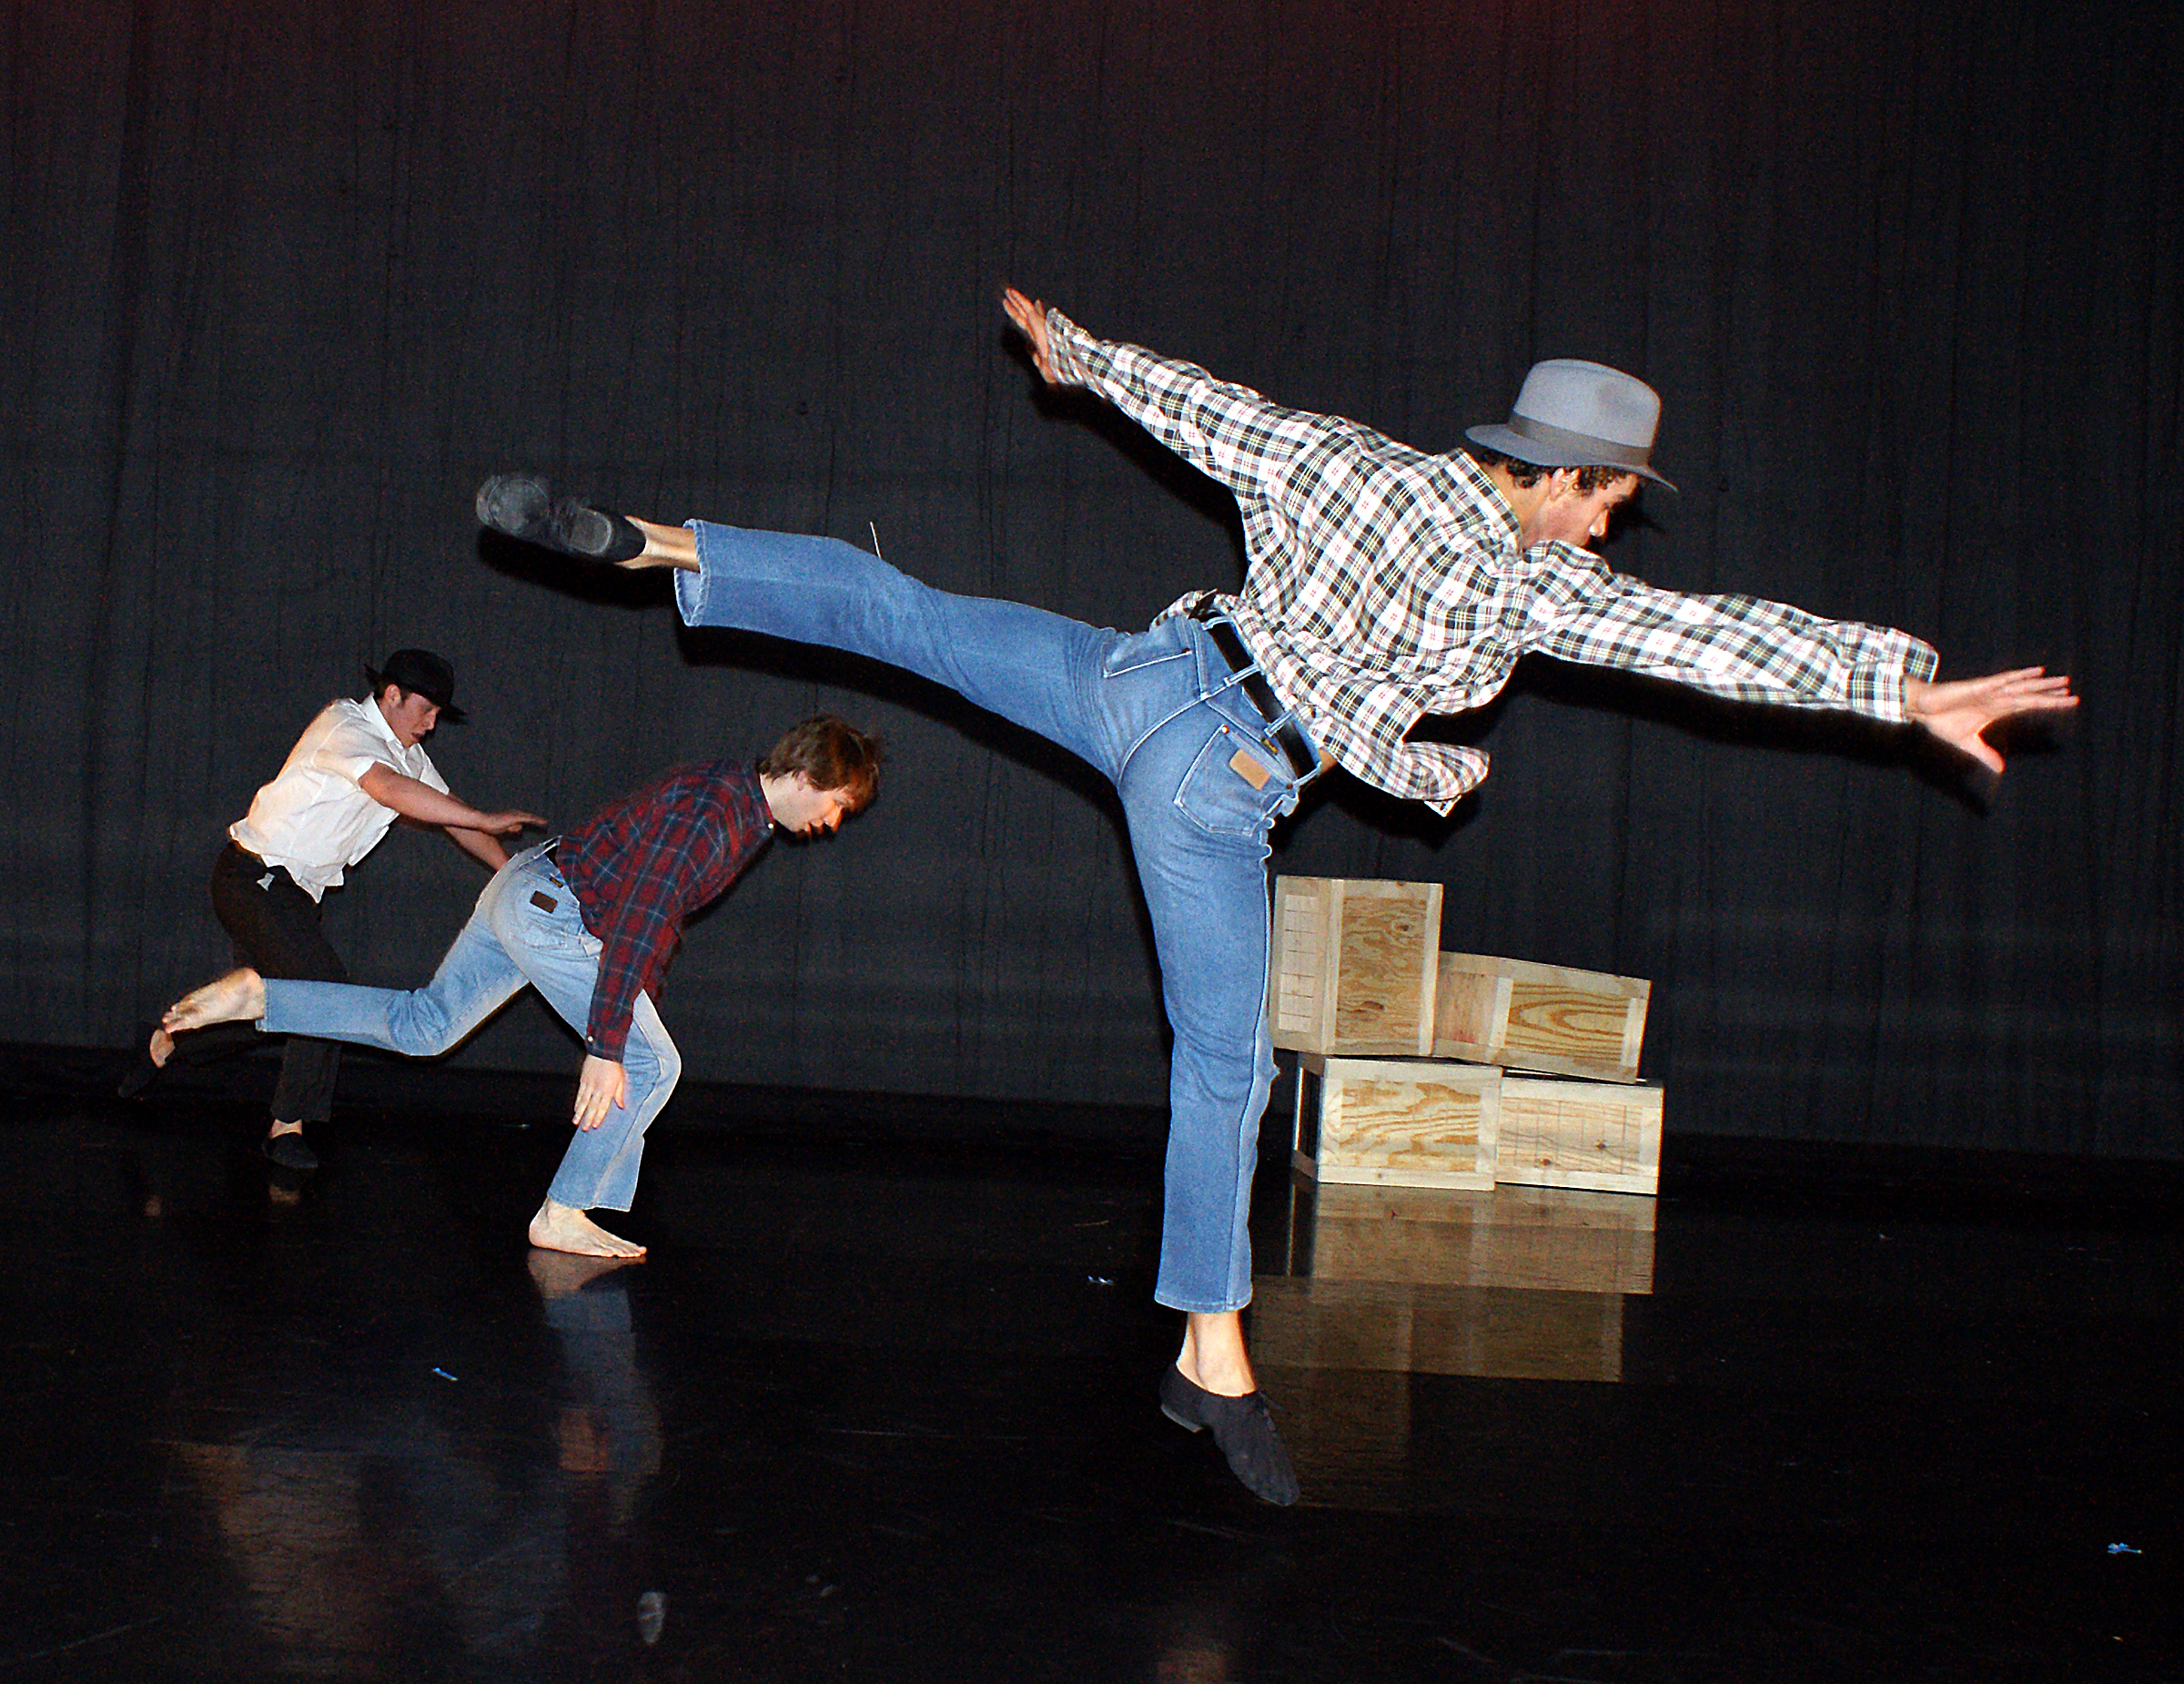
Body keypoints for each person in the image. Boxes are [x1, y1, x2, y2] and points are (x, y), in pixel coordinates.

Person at [471, 290, 2075, 1503]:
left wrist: (1081, 357)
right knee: (1225, 1066)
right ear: (1558, 480)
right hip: (1216, 779)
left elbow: (1208, 411)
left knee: (903, 613)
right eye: (1603, 501)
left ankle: (662, 542)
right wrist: (1895, 685)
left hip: (1133, 676)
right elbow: (1702, 638)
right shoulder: (1526, 578)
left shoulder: (1355, 462)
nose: (1604, 528)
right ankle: (1212, 1349)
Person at [163, 716, 884, 1257]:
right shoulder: (720, 819)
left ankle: (266, 997)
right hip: (552, 913)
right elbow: (641, 919)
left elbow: (648, 915)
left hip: (527, 886)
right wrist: (606, 1043)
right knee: (648, 1064)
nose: (831, 824)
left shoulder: (729, 792)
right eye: (837, 805)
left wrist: (624, 1014)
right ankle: (563, 1212)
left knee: (425, 1026)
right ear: (806, 778)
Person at [133, 650, 544, 1170]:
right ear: (392, 695)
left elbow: (454, 818)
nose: (431, 725)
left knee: (275, 1005)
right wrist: (484, 819)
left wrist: (510, 872)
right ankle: (287, 1126)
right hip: (253, 878)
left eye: (438, 715)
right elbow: (388, 789)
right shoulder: (344, 725)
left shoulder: (409, 757)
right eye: (425, 710)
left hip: (293, 897)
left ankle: (169, 1043)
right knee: (323, 991)